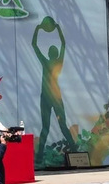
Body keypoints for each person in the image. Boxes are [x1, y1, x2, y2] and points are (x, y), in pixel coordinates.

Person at [32, 16, 77, 154]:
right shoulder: (57, 62)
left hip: (48, 97)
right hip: (54, 97)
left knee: (46, 127)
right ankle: (73, 148)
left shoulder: (48, 62)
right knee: (60, 125)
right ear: (55, 53)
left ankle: (40, 154)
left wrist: (38, 29)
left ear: (50, 53)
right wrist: (57, 29)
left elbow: (34, 45)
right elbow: (63, 43)